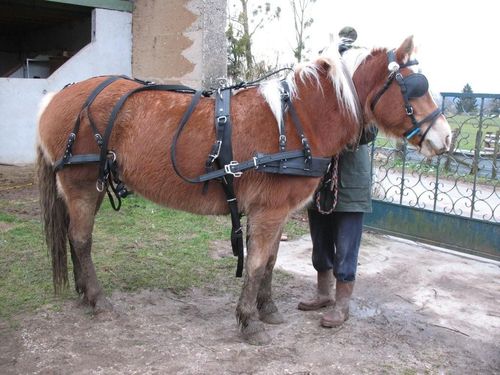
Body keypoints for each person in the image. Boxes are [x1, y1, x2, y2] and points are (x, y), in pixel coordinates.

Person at [297, 26, 376, 328]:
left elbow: (369, 132)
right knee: (320, 239)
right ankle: (323, 293)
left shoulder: (364, 93)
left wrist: (340, 129)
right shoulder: (320, 93)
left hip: (351, 179)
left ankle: (342, 303)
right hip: (319, 175)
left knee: (346, 243)